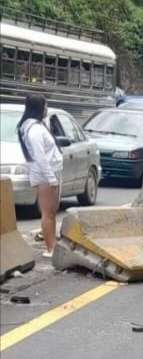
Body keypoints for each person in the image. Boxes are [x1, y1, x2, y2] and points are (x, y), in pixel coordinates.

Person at [17, 95, 62, 257]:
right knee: (47, 213)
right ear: (38, 108)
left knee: (52, 212)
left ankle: (53, 246)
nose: (46, 109)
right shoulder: (34, 130)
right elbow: (40, 157)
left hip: (49, 173)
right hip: (44, 175)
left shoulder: (38, 125)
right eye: (45, 106)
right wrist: (51, 178)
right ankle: (50, 248)